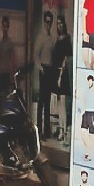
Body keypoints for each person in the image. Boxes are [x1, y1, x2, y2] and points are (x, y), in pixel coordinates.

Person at [52, 15, 73, 144]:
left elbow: (66, 57)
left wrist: (60, 75)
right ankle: (60, 129)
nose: (60, 26)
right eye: (58, 24)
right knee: (58, 102)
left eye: (61, 24)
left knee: (64, 103)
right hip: (56, 72)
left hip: (63, 73)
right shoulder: (57, 39)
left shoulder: (66, 40)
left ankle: (64, 130)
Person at [35, 10, 55, 139]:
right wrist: (40, 67)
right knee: (41, 101)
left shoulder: (52, 37)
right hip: (43, 70)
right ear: (44, 22)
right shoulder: (41, 37)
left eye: (50, 22)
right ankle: (39, 129)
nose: (48, 24)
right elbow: (36, 54)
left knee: (47, 101)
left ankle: (47, 130)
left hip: (50, 69)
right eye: (46, 22)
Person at [0, 16, 16, 93]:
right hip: (1, 73)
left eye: (6, 27)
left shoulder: (10, 43)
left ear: (8, 28)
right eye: (3, 26)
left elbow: (13, 60)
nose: (4, 29)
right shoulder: (0, 43)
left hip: (7, 73)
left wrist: (12, 76)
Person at [80, 74, 94, 162]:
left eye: (90, 81)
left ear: (92, 81)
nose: (89, 82)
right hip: (86, 112)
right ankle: (87, 150)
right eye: (88, 81)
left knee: (91, 134)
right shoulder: (87, 90)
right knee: (82, 133)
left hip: (91, 112)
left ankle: (89, 154)